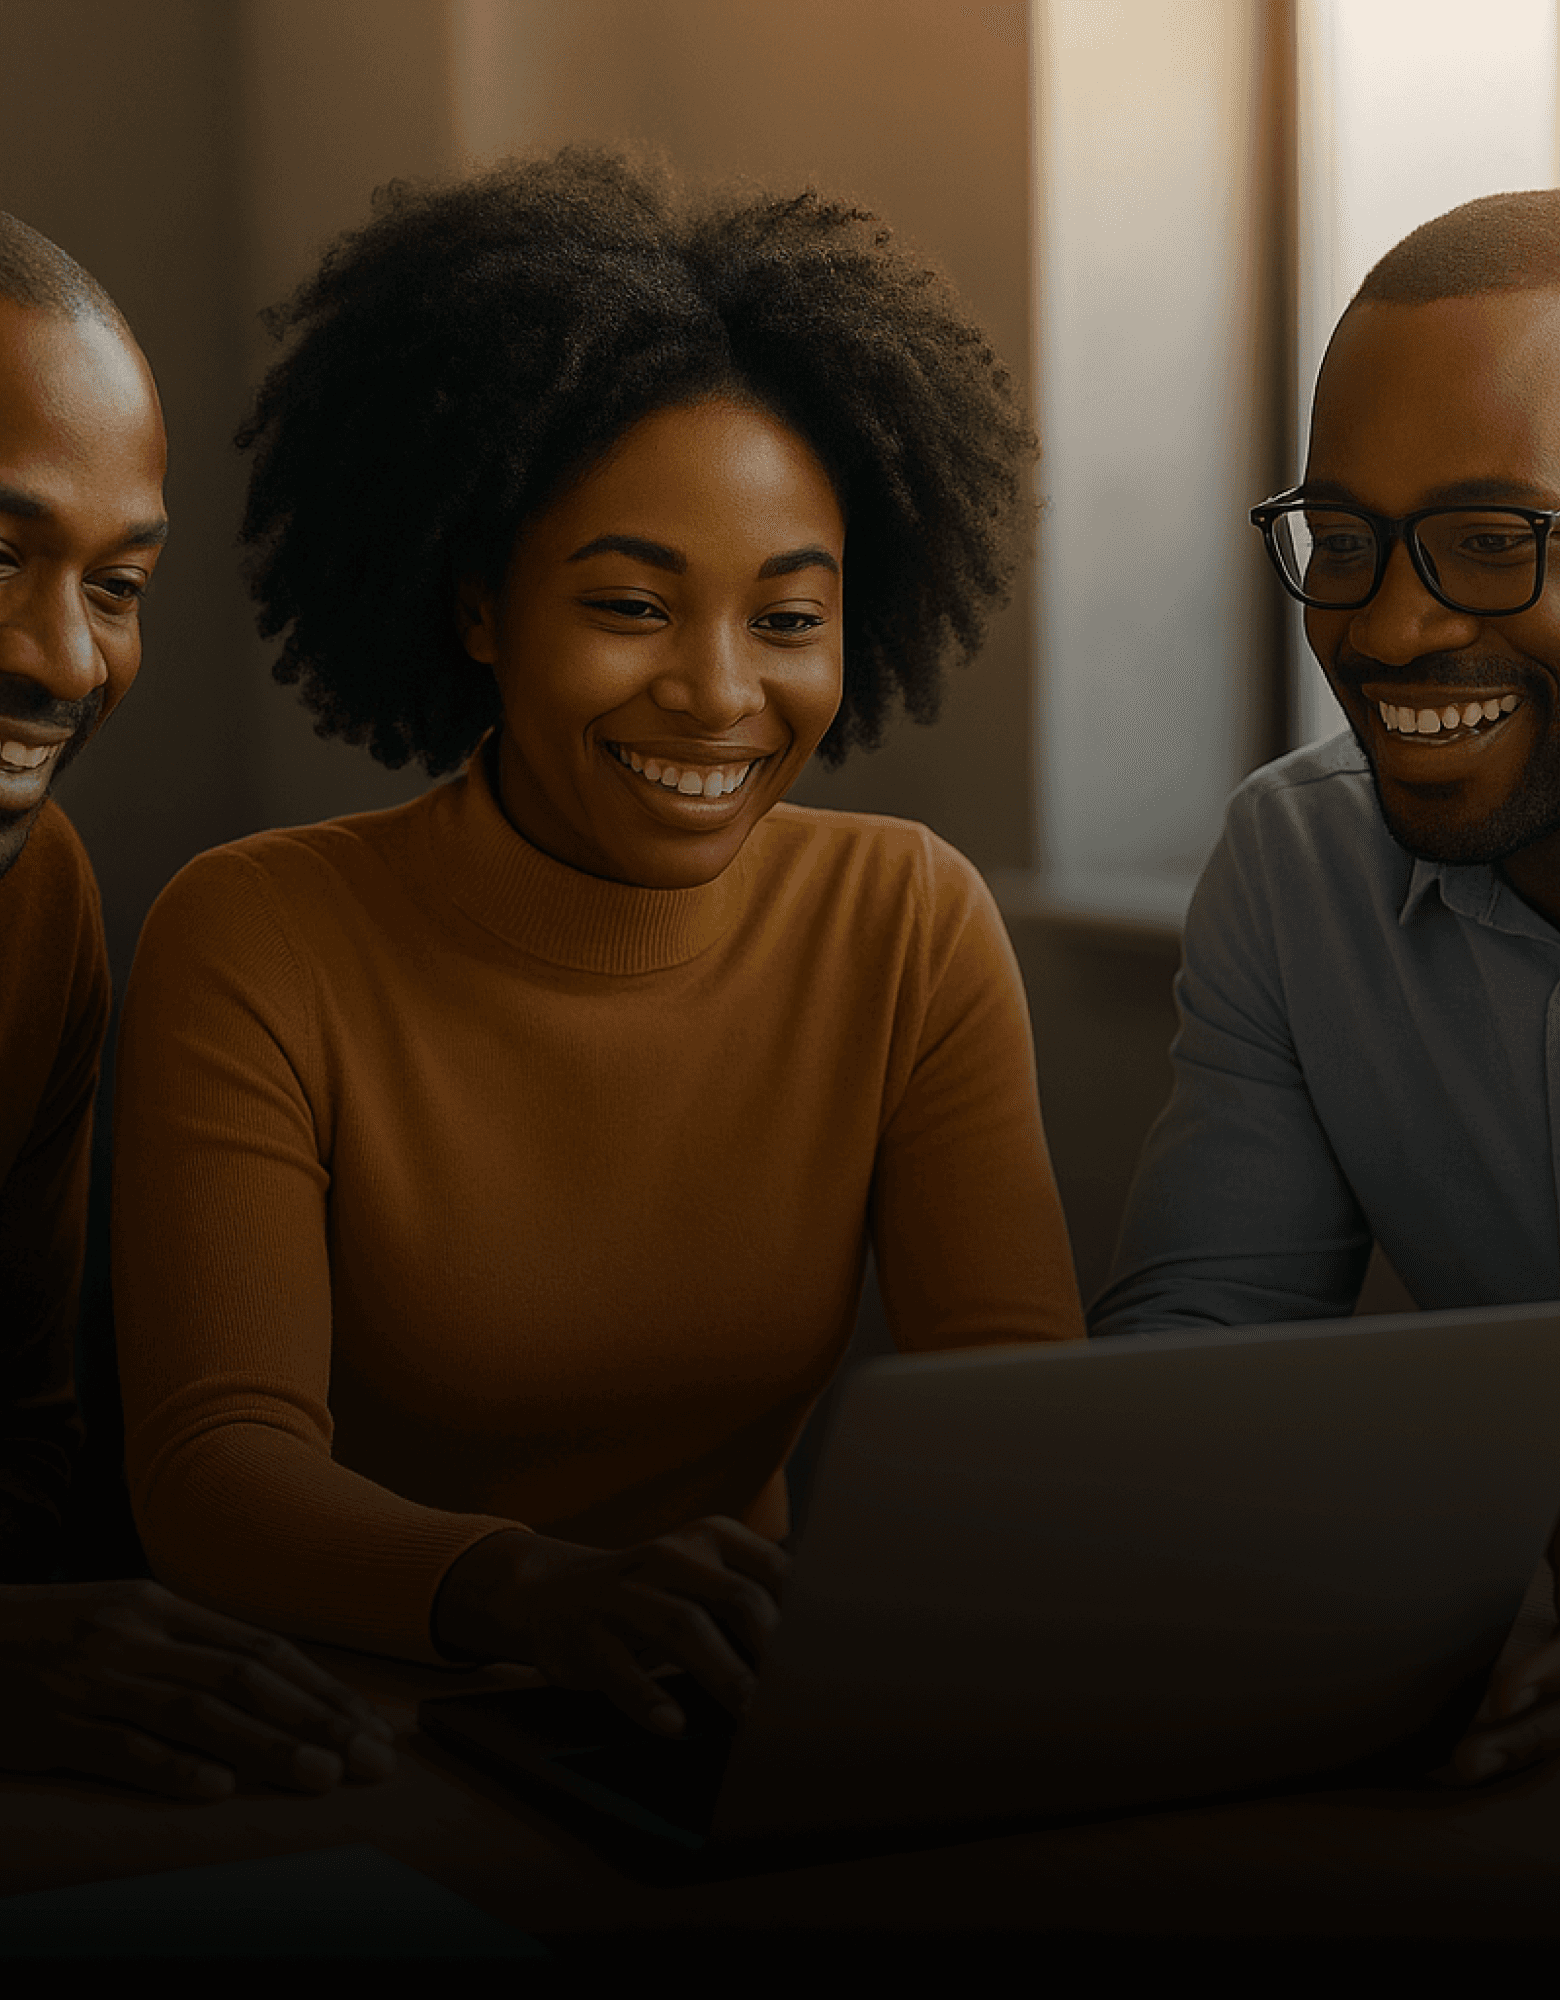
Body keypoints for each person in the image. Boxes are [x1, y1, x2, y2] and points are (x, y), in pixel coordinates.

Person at [110, 148, 1084, 1740]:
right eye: (632, 605)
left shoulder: (907, 921)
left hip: (726, 1713)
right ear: (478, 606)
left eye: (788, 618)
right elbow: (214, 1473)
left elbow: (1023, 1428)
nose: (720, 693)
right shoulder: (259, 935)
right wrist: (535, 1594)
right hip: (354, 1727)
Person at [1089, 188, 1560, 1783]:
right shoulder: (1300, 868)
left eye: (1493, 541)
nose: (1391, 627)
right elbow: (1203, 1352)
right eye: (1344, 543)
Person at [0, 212, 394, 1802]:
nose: (67, 662)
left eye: (118, 584)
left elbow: (19, 1444)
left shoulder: (38, 904)